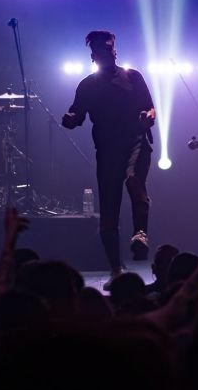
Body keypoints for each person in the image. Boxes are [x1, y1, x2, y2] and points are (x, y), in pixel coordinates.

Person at [62, 30, 155, 286]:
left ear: (114, 51)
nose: (107, 54)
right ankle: (115, 269)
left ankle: (140, 234)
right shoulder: (87, 85)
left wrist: (148, 117)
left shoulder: (133, 76)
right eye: (100, 51)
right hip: (107, 150)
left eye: (109, 49)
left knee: (134, 180)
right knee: (109, 209)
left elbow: (149, 106)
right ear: (93, 56)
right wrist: (69, 119)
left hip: (136, 142)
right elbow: (76, 115)